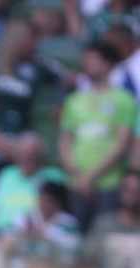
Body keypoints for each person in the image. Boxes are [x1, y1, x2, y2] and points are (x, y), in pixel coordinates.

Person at [60, 42, 136, 221]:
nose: (86, 63)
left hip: (108, 183)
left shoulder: (124, 100)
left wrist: (91, 176)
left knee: (105, 235)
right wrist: (78, 175)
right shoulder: (74, 100)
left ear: (108, 64)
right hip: (76, 183)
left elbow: (122, 143)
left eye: (92, 59)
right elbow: (65, 140)